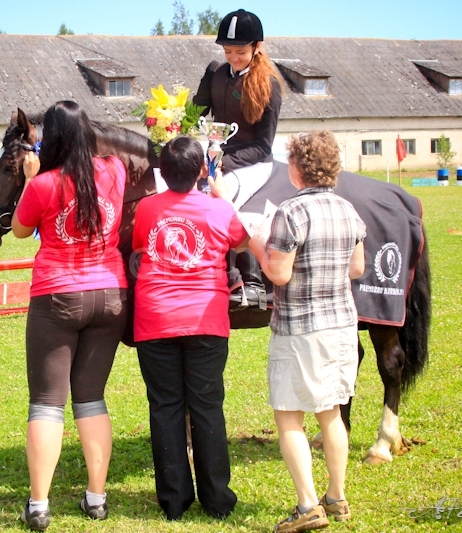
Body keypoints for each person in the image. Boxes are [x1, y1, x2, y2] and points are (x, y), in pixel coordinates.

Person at [12, 101, 128, 531]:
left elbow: (21, 230)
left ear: (52, 139)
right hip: (110, 294)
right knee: (91, 398)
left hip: (57, 295)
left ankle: (39, 504)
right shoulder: (114, 170)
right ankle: (96, 498)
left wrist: (30, 177)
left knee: (47, 403)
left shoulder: (44, 184)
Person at [248, 130, 366, 533]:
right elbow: (356, 268)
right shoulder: (348, 209)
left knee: (289, 417)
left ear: (297, 168)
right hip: (342, 325)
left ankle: (307, 505)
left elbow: (279, 274)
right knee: (331, 413)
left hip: (299, 328)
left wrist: (257, 244)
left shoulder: (290, 212)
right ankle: (337, 496)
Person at [132, 135, 247, 521]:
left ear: (162, 173)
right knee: (207, 407)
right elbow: (242, 240)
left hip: (155, 318)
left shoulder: (146, 208)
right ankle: (216, 499)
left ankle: (174, 500)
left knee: (165, 406)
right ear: (202, 170)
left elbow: (140, 247)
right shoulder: (218, 210)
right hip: (206, 320)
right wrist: (224, 199)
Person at [192, 8, 286, 311]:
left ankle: (244, 280)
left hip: (253, 161)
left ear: (257, 47)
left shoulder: (269, 85)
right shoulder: (216, 72)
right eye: (228, 51)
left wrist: (223, 165)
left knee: (222, 194)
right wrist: (170, 119)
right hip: (216, 154)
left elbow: (263, 144)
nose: (233, 57)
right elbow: (196, 111)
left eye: (240, 52)